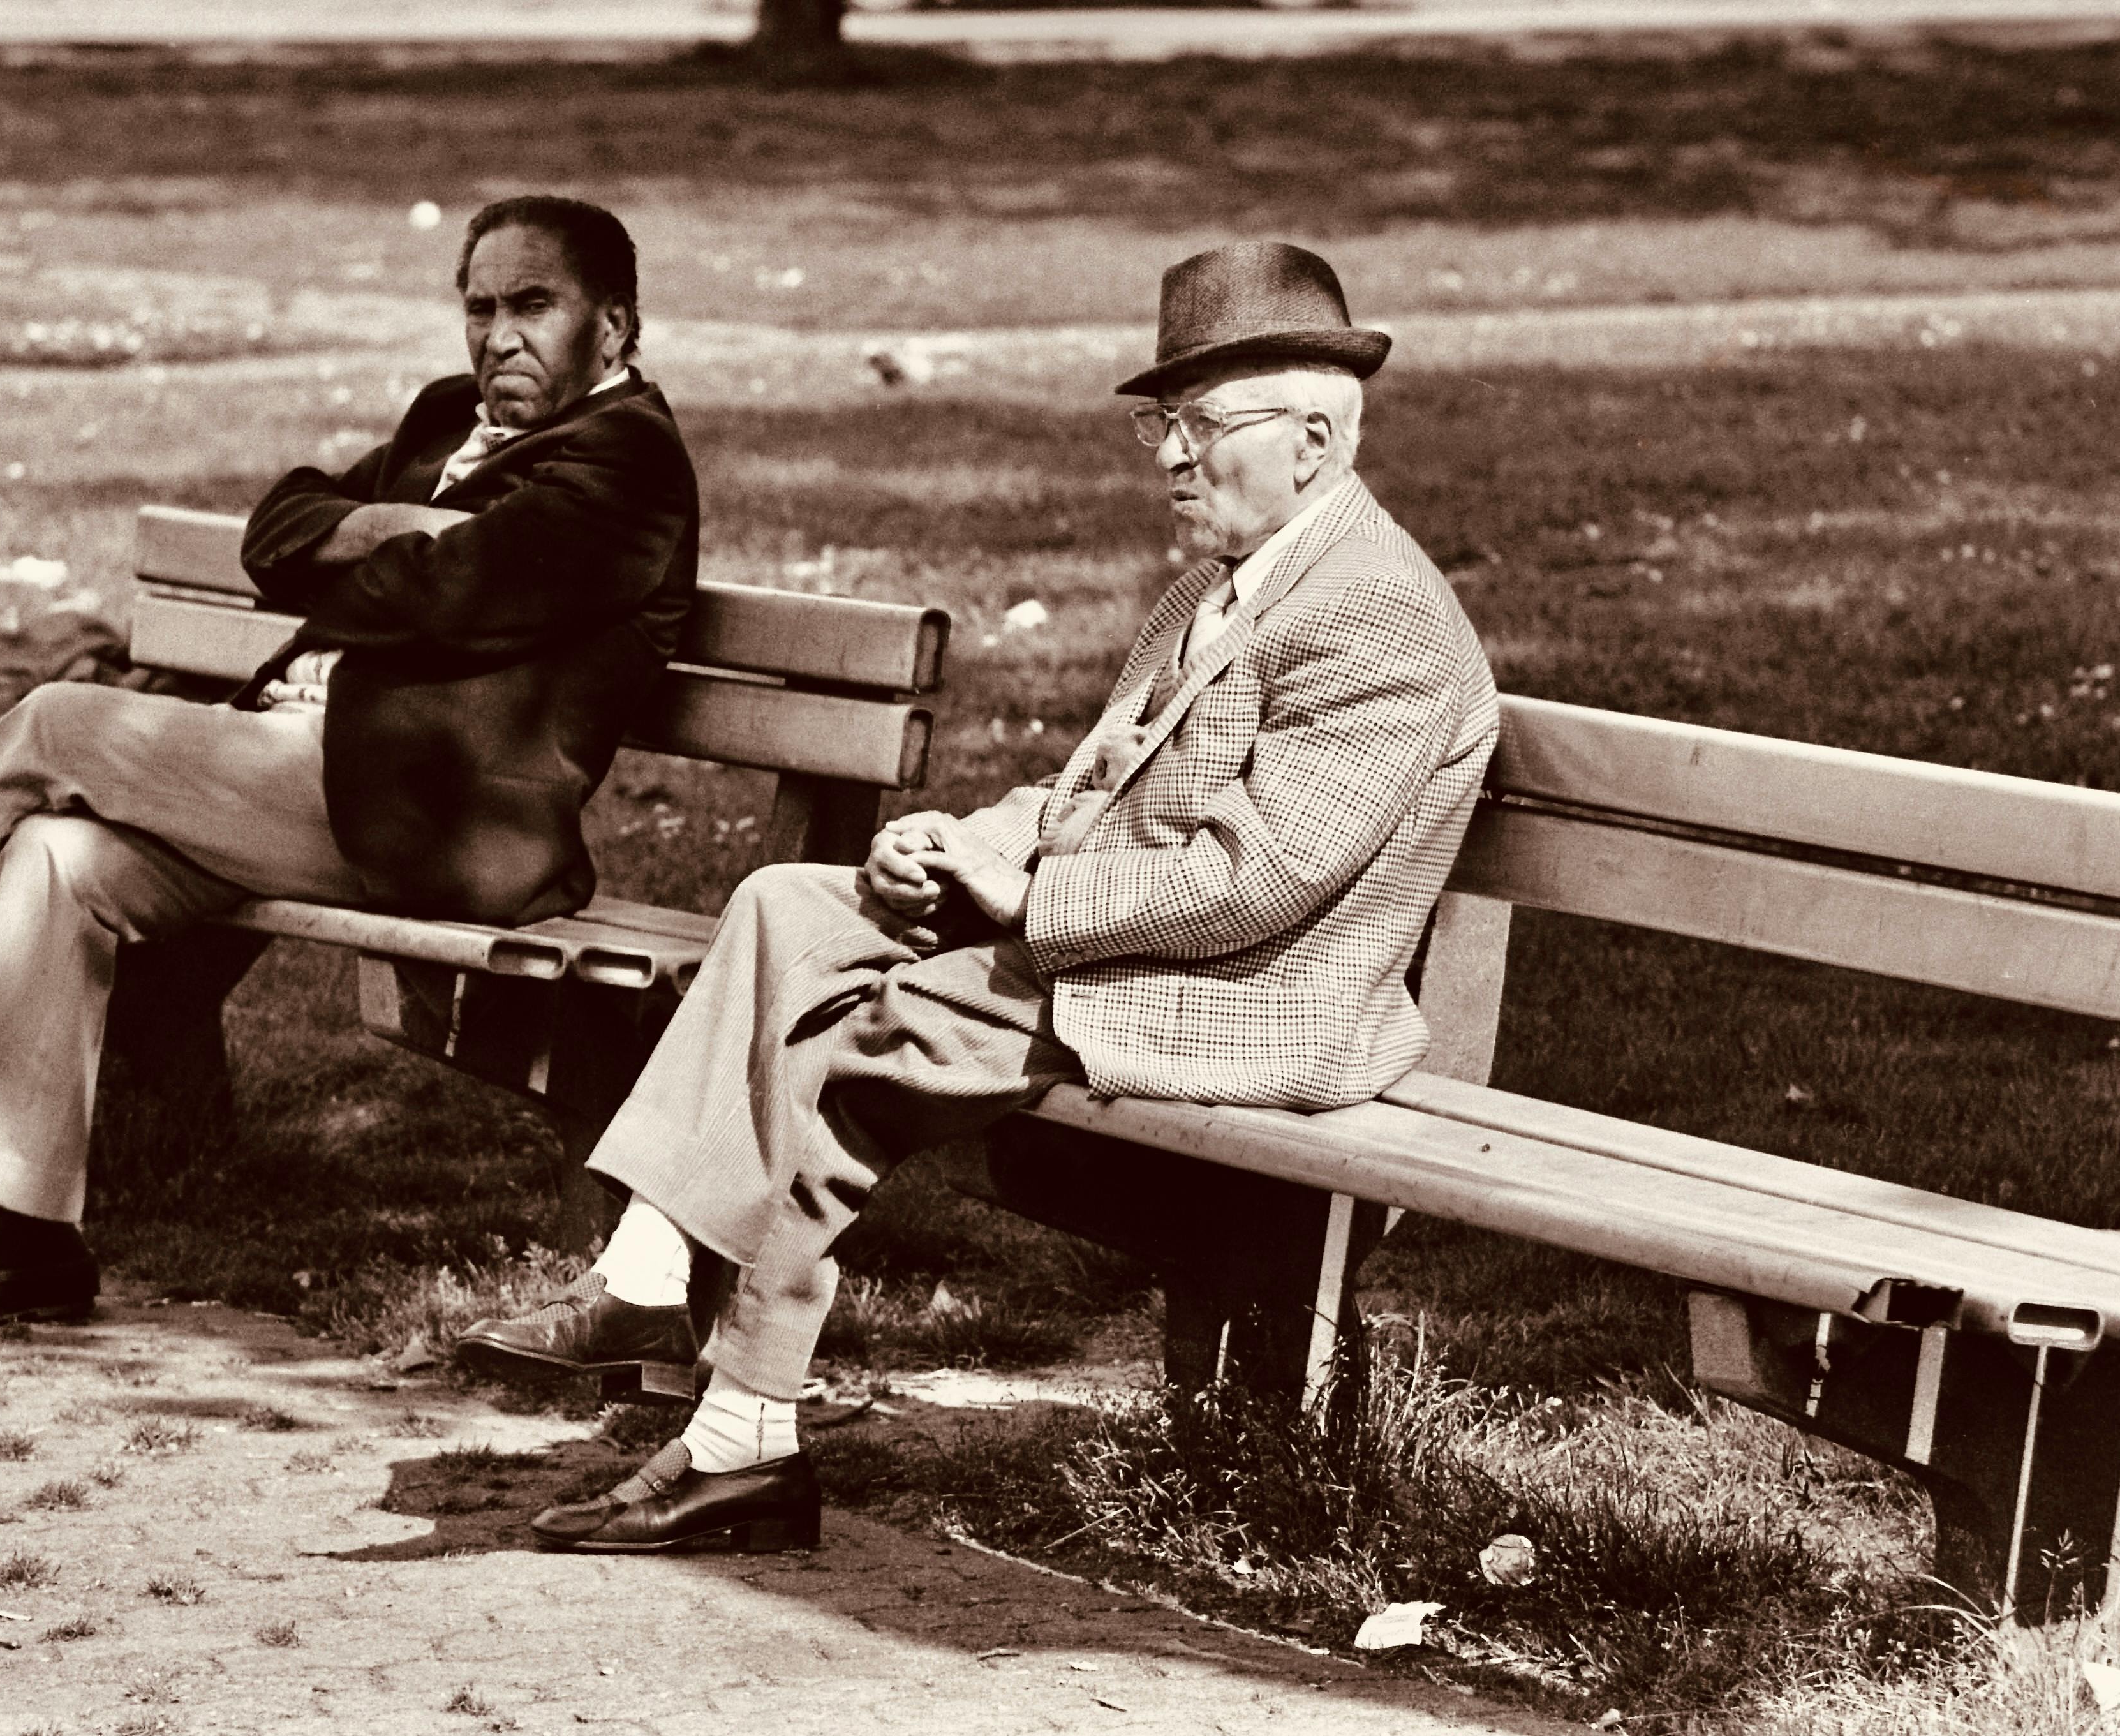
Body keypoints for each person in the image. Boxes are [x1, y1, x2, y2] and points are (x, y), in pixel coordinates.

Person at [455, 240, 1500, 1555]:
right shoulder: (1220, 583)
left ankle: (737, 1440)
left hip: (1262, 999)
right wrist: (960, 843)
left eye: (1199, 426)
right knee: (787, 902)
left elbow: (1263, 880)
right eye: (1157, 424)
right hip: (1135, 945)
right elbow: (1093, 793)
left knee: (873, 1028)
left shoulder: (1375, 620)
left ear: (1314, 435)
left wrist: (1025, 896)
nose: (1168, 457)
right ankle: (646, 1275)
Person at [0, 195, 700, 1334]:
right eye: (480, 306)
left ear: (612, 326)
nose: (498, 335)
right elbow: (277, 530)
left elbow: (441, 604)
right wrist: (374, 530)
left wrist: (383, 551)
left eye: (534, 306)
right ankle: (28, 1249)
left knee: (56, 719)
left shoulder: (628, 465)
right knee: (58, 857)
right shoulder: (450, 418)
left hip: (432, 823)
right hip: (301, 782)